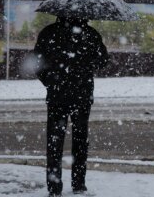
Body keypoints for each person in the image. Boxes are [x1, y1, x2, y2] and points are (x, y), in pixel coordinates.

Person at [34, 17, 109, 197]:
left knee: (54, 141)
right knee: (80, 140)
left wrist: (50, 82)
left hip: (57, 96)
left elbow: (37, 63)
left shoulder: (49, 33)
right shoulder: (90, 34)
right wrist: (86, 66)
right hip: (82, 95)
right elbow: (103, 60)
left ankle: (54, 187)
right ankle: (78, 184)